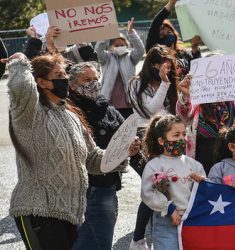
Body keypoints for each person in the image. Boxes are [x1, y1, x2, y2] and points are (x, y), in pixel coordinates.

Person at [4, 53, 106, 249]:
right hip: (37, 211)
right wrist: (19, 62)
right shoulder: (29, 113)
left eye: (65, 75)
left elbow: (92, 160)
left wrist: (122, 152)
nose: (65, 80)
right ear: (41, 82)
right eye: (59, 76)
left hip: (70, 212)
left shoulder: (72, 116)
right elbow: (20, 88)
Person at [68, 62, 140, 250]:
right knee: (95, 240)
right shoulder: (70, 111)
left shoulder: (104, 105)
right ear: (72, 85)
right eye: (86, 80)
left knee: (98, 238)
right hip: (90, 186)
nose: (93, 84)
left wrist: (131, 146)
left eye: (95, 79)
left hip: (108, 182)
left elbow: (125, 131)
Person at [127, 44, 178, 250]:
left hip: (167, 141)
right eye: (162, 65)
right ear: (152, 64)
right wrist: (165, 84)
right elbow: (150, 111)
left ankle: (145, 237)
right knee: (154, 188)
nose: (166, 70)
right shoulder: (136, 84)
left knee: (165, 188)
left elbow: (174, 113)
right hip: (143, 141)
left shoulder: (169, 82)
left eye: (169, 66)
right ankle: (137, 239)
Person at [141, 114, 206, 250]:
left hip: (192, 220)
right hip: (166, 221)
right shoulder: (155, 165)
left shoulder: (195, 165)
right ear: (161, 140)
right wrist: (169, 209)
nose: (182, 139)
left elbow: (203, 193)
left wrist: (201, 181)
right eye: (176, 135)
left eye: (184, 134)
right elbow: (148, 194)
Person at [177, 73, 235, 174]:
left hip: (231, 154)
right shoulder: (196, 97)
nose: (215, 82)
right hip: (202, 155)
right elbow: (183, 113)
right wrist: (185, 94)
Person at [95, 18, 145, 118]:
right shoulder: (106, 58)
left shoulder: (131, 58)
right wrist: (106, 35)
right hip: (109, 101)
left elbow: (140, 49)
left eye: (122, 45)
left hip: (128, 101)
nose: (120, 47)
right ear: (110, 46)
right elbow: (98, 50)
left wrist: (131, 33)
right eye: (116, 45)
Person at [24, 26, 98, 62]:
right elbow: (31, 59)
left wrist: (78, 37)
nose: (58, 42)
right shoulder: (44, 56)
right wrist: (34, 37)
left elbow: (91, 59)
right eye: (53, 38)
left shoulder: (73, 51)